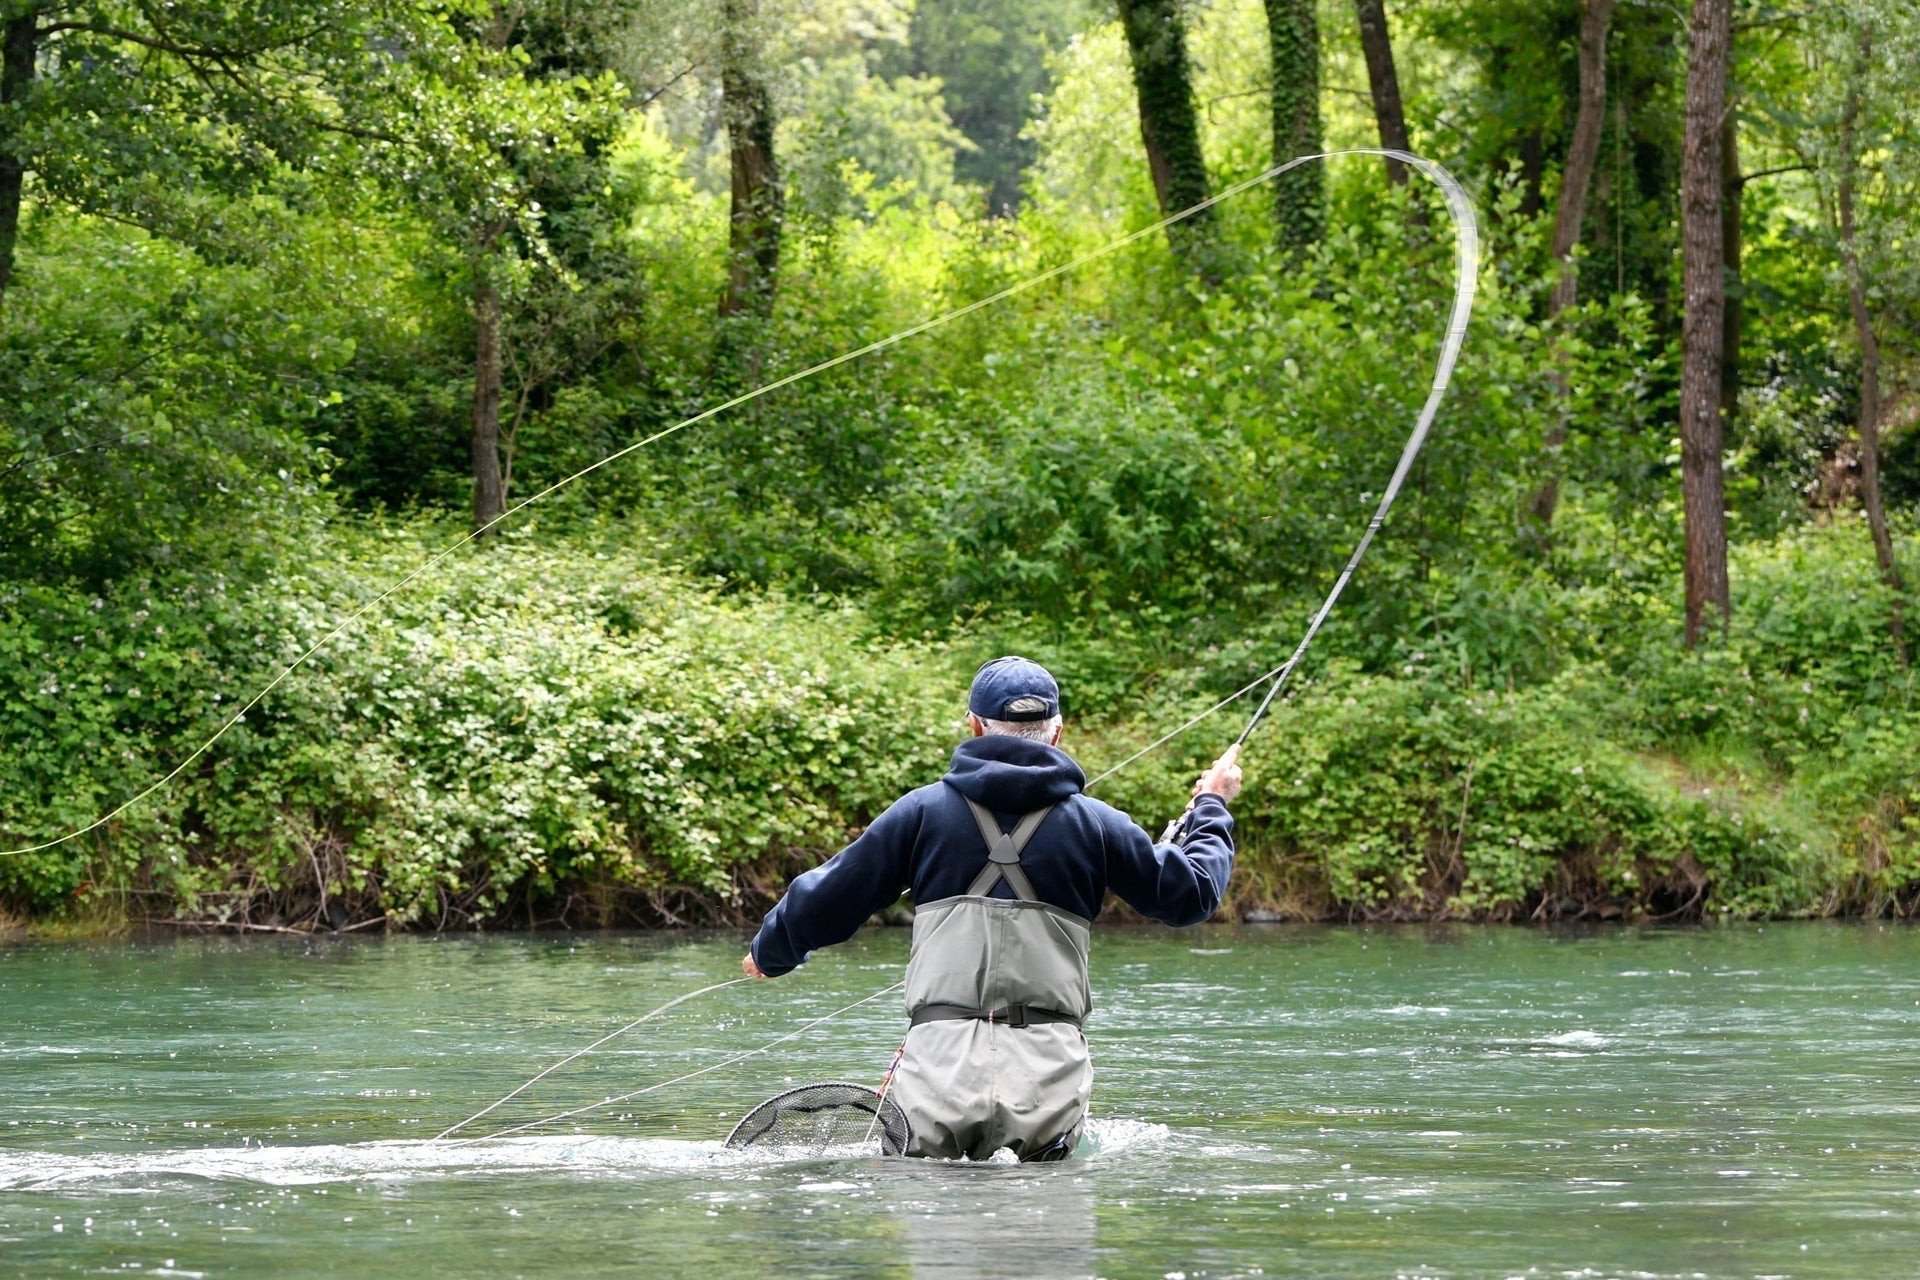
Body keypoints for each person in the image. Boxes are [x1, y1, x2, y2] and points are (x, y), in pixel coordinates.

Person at [742, 655, 1242, 1162]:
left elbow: (828, 896)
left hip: (938, 1070)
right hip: (1049, 1071)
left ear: (975, 726)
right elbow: (1192, 893)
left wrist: (772, 951)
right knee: (1043, 1225)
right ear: (1058, 732)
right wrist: (1212, 806)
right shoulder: (1098, 824)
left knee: (939, 1218)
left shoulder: (920, 812)